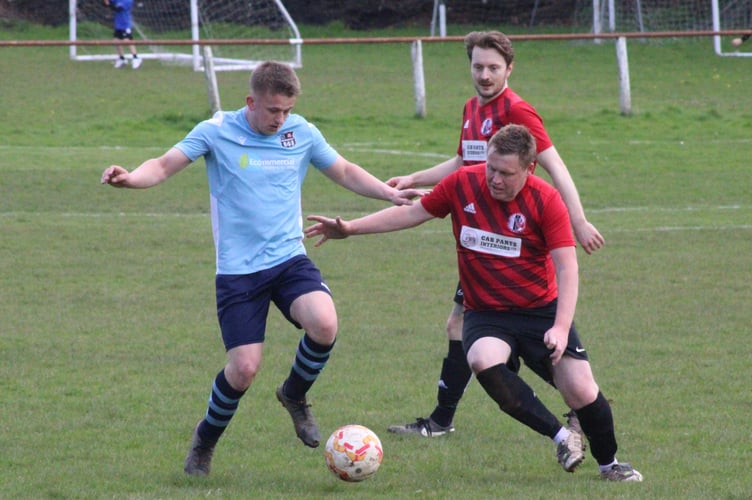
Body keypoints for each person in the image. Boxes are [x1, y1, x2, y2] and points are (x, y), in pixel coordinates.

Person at [100, 61, 422, 476]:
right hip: (238, 272)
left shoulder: (300, 132)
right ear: (251, 102)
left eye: (287, 110)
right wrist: (130, 178)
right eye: (273, 110)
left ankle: (294, 395)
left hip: (288, 258)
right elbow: (162, 166)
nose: (280, 119)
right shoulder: (215, 132)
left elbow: (342, 170)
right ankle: (205, 440)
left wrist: (388, 195)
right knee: (244, 370)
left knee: (324, 324)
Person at [305, 124, 643, 482]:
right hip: (486, 312)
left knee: (580, 389)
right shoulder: (462, 184)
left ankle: (611, 466)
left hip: (539, 311)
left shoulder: (546, 200)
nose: (495, 179)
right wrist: (351, 228)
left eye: (506, 173)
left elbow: (567, 267)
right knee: (483, 359)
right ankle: (561, 437)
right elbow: (410, 214)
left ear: (529, 170)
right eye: (490, 168)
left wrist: (560, 327)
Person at [384, 30, 604, 439]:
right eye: (478, 66)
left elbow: (554, 165)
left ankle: (445, 421)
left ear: (509, 69)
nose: (484, 75)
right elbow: (462, 162)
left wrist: (578, 220)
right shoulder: (472, 107)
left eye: (493, 68)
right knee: (458, 326)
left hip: (509, 243)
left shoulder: (517, 111)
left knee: (462, 326)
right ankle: (445, 419)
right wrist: (414, 177)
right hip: (481, 238)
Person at [103, 0, 142, 69]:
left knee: (127, 40)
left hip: (125, 24)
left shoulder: (128, 1)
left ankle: (136, 58)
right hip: (118, 25)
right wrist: (106, 2)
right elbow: (106, 4)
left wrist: (108, 4)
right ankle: (122, 59)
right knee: (116, 41)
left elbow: (118, 8)